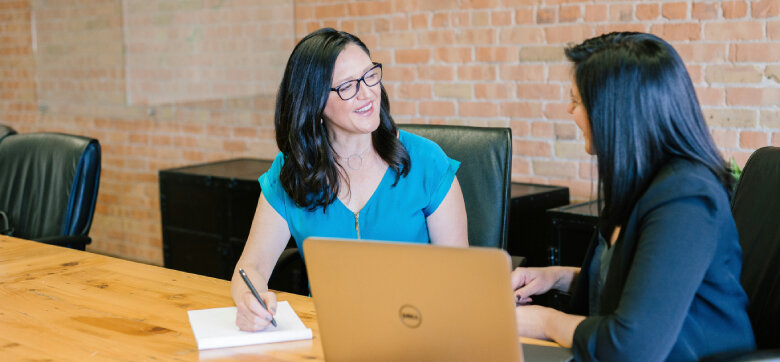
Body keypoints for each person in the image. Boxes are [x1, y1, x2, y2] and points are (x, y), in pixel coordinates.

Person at [511, 32, 756, 360]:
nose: (568, 110)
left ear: (616, 112)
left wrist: (544, 321)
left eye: (577, 100)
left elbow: (631, 346)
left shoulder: (686, 199)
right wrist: (554, 277)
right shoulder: (640, 182)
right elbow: (637, 283)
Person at [231, 28, 468, 332]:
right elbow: (250, 267)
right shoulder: (291, 172)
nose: (368, 92)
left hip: (417, 330)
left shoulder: (427, 162)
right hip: (329, 333)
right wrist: (249, 303)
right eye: (347, 86)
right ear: (314, 102)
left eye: (370, 75)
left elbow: (460, 275)